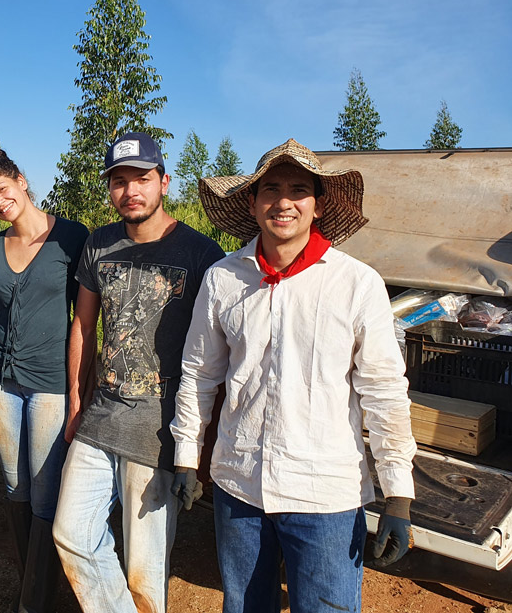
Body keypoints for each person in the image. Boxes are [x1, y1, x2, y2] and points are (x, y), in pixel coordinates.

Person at [171, 138, 416, 613]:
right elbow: (199, 373)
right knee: (244, 606)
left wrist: (398, 494)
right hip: (238, 485)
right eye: (270, 189)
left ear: (318, 205)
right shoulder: (224, 278)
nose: (283, 202)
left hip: (324, 493)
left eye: (299, 189)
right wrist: (186, 454)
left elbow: (384, 392)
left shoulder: (356, 283)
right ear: (252, 201)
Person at [51, 132, 225, 612]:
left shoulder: (201, 255)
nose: (131, 190)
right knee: (71, 534)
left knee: (145, 567)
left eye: (142, 179)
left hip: (159, 428)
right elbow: (83, 326)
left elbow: (213, 355)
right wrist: (75, 403)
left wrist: (197, 440)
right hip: (101, 414)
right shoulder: (99, 243)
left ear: (164, 182)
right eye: (119, 180)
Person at [0, 145, 89, 612]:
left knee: (44, 487)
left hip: (50, 382)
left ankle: (34, 599)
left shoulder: (72, 238)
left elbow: (86, 320)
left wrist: (82, 386)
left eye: (2, 189)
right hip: (1, 381)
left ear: (21, 180)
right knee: (15, 485)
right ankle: (31, 585)